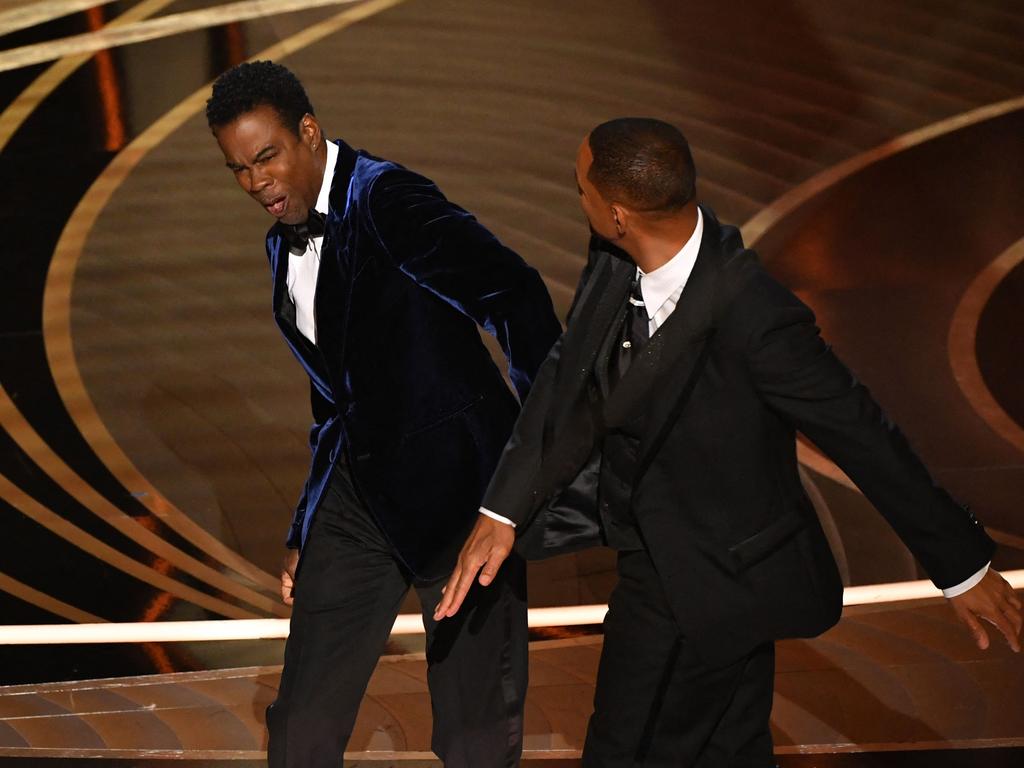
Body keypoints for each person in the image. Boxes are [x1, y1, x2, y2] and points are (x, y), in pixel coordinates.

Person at [435, 117, 1023, 766]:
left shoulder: (756, 318)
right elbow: (569, 373)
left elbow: (863, 435)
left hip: (710, 573)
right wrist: (504, 508)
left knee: (626, 750)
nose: (579, 198)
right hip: (665, 555)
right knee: (731, 747)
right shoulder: (614, 255)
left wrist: (962, 567)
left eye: (581, 189)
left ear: (620, 213)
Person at [206, 60, 561, 767]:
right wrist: (308, 523)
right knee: (301, 724)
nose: (256, 183)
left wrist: (529, 465)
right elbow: (334, 392)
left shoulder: (388, 200)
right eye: (238, 169)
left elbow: (516, 297)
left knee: (473, 735)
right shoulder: (284, 240)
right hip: (359, 496)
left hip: (462, 501)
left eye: (267, 157)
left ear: (308, 132)